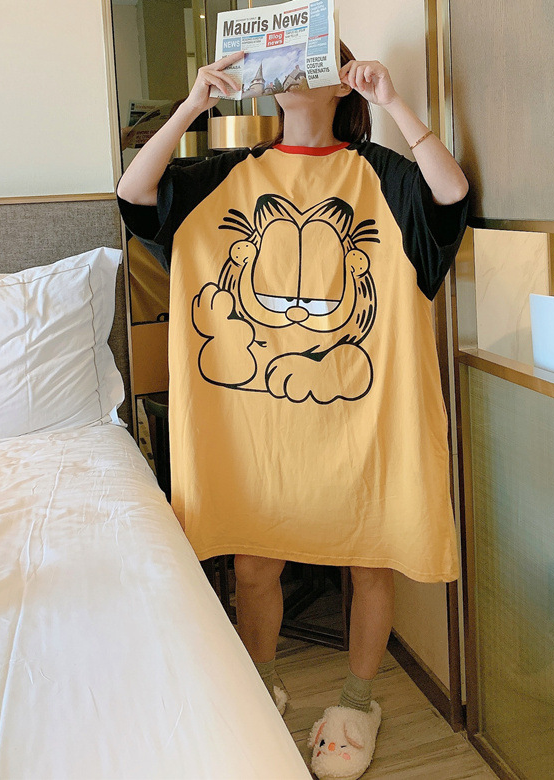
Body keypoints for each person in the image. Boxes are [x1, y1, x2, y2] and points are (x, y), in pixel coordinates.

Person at [116, 41, 468, 780]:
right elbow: (135, 194)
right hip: (261, 433)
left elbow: (450, 196)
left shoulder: (380, 175)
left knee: (371, 556)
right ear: (268, 84)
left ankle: (357, 702)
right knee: (254, 562)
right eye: (285, 59)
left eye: (315, 55)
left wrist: (392, 102)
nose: (296, 70)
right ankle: (264, 689)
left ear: (341, 83)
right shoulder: (227, 176)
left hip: (362, 425)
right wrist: (194, 105)